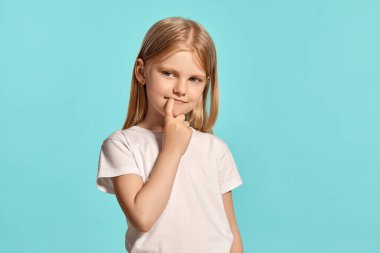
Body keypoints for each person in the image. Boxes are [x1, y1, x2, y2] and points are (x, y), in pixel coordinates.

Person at [96, 16, 244, 253]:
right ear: (142, 72)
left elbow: (232, 233)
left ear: (206, 83)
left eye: (194, 79)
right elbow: (142, 217)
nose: (181, 89)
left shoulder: (215, 149)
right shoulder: (122, 145)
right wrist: (172, 150)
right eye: (168, 73)